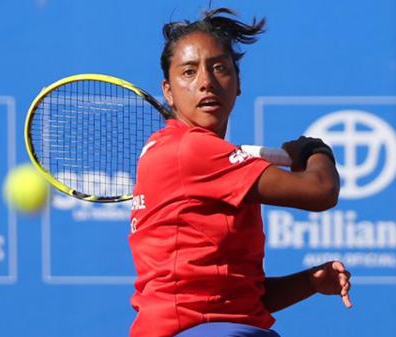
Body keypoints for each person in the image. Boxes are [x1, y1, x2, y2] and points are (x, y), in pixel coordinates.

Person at [129, 8, 352, 337]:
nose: (205, 82)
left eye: (219, 68)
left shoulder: (189, 153)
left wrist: (309, 282)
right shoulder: (191, 150)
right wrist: (314, 150)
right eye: (188, 72)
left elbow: (237, 297)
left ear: (237, 82)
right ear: (168, 91)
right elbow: (321, 191)